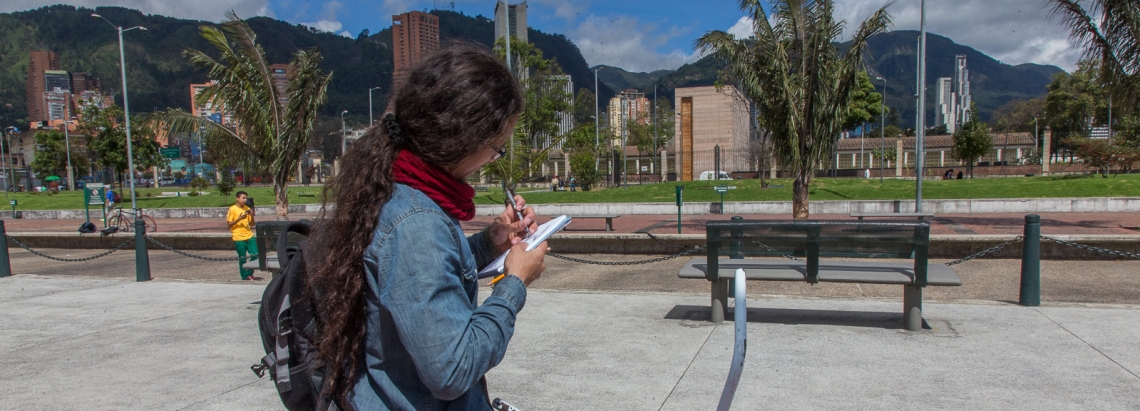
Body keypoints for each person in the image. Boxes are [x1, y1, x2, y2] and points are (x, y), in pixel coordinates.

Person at [307, 44, 547, 411]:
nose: (492, 160)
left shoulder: (395, 188)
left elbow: (410, 280)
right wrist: (514, 284)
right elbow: (451, 371)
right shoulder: (417, 222)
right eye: (497, 148)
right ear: (466, 141)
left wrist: (489, 243)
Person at [226, 191, 260, 281]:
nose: (245, 200)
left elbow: (252, 224)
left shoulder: (247, 208)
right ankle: (244, 276)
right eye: (243, 198)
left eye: (246, 198)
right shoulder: (232, 209)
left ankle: (249, 272)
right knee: (242, 257)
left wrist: (252, 216)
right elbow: (229, 224)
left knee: (255, 254)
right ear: (237, 198)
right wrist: (240, 218)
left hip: (249, 235)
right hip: (238, 236)